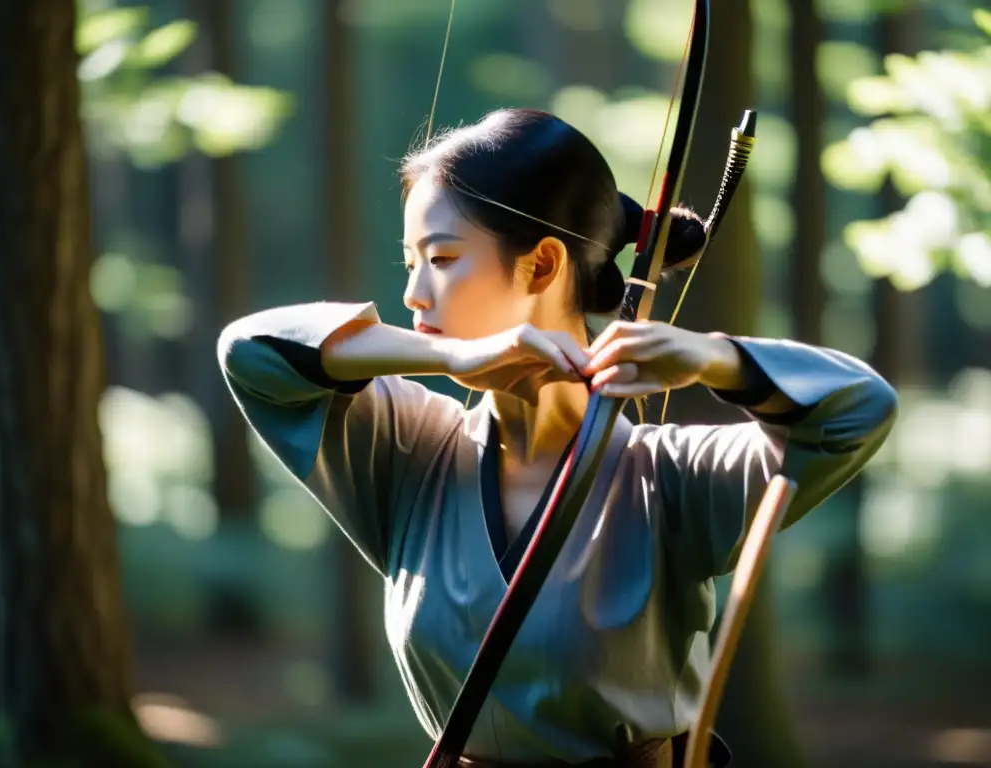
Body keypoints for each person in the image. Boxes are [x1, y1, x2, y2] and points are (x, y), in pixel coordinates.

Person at [217, 108, 897, 768]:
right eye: (409, 262)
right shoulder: (408, 451)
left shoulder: (671, 478)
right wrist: (451, 359)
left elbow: (858, 411)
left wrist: (711, 356)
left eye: (442, 258)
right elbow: (248, 351)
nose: (414, 295)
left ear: (542, 266)